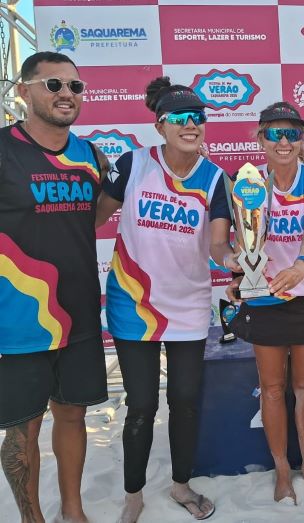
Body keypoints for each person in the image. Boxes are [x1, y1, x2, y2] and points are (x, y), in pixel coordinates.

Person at [96, 77, 234, 522]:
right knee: (141, 405)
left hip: (188, 305)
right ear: (160, 125)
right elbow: (91, 217)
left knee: (186, 399)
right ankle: (133, 494)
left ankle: (180, 485)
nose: (190, 125)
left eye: (197, 117)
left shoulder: (216, 178)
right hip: (132, 304)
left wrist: (243, 262)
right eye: (179, 118)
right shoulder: (133, 163)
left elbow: (217, 247)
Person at [0, 51, 108, 523]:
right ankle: (31, 518)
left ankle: (73, 510)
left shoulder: (91, 155)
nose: (66, 94)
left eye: (75, 86)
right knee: (22, 430)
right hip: (21, 317)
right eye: (53, 85)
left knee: (73, 414)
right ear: (23, 92)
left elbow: (95, 218)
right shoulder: (3, 149)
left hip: (79, 312)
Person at [225, 101, 304, 504]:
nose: (285, 141)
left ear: (303, 139)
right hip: (265, 299)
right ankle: (282, 471)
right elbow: (234, 244)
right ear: (261, 139)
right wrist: (237, 268)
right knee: (272, 389)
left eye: (293, 133)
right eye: (275, 133)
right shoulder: (245, 184)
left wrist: (303, 263)